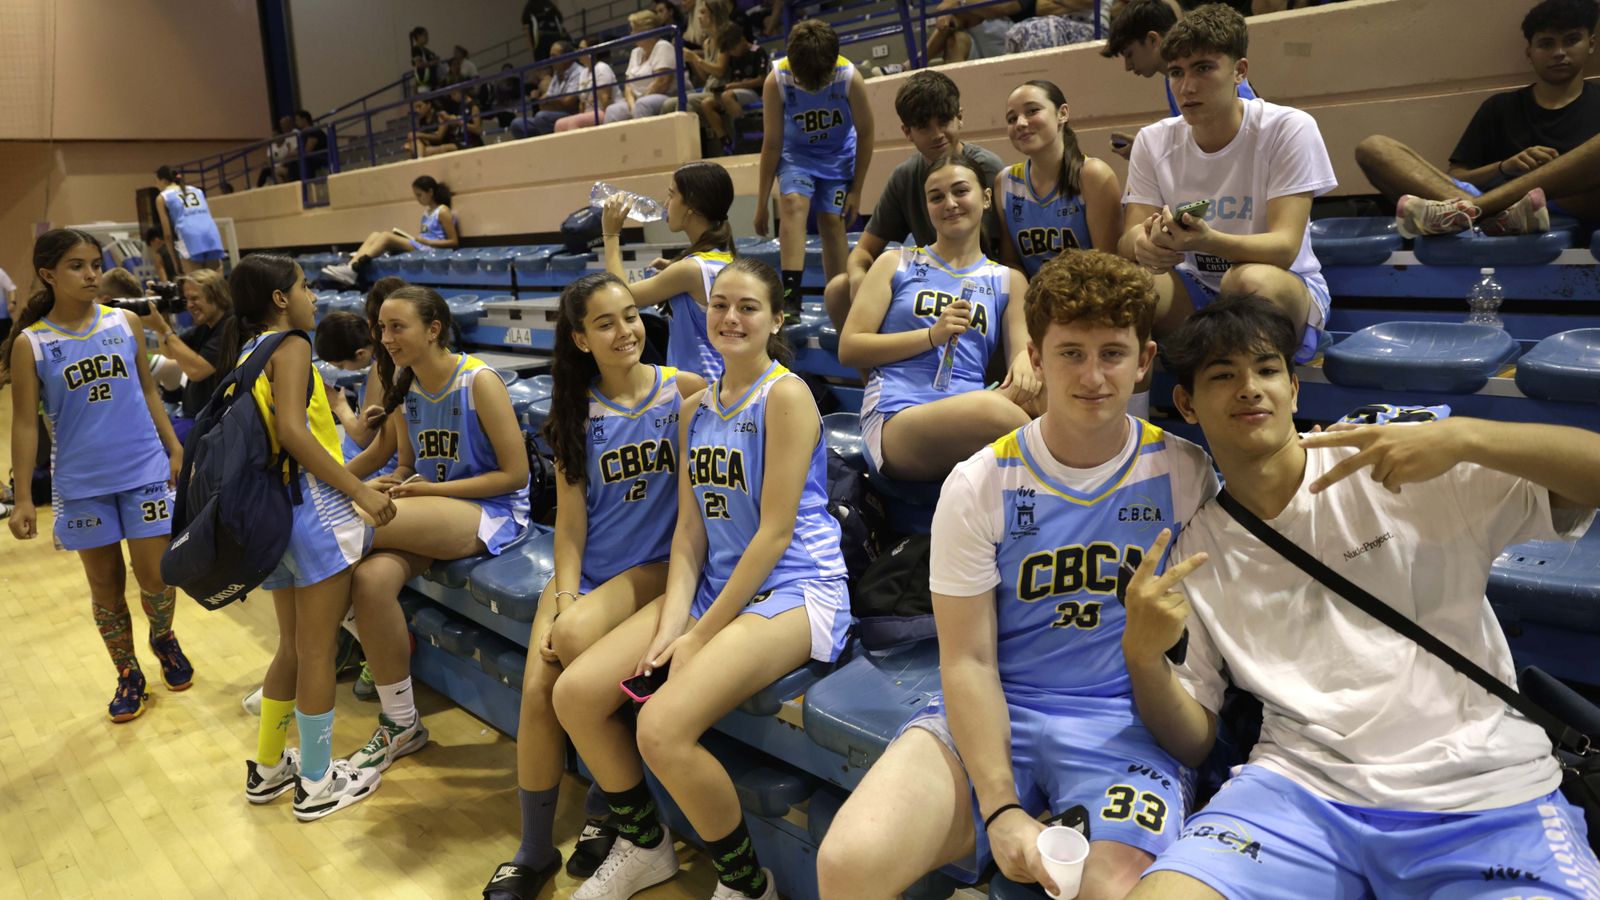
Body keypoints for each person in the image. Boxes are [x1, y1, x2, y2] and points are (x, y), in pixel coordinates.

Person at [1122, 294, 1600, 898]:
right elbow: (1192, 740)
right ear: (1186, 404)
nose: (1250, 388)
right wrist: (1142, 657)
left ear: (1295, 391)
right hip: (1297, 792)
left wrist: (1466, 437)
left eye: (1267, 370)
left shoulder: (1399, 465)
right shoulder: (1195, 549)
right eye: (1223, 375)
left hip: (1480, 791)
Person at [819, 250, 1218, 900]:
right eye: (1070, 353)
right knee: (847, 863)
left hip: (1123, 720)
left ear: (1145, 360)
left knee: (1114, 889)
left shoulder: (1184, 473)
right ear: (1034, 357)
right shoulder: (978, 482)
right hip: (999, 702)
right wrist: (1001, 808)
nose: (1092, 376)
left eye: (1112, 353)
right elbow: (969, 661)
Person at [553, 257, 851, 900]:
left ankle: (747, 885)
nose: (731, 317)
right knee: (574, 695)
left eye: (749, 307)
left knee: (661, 729)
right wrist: (669, 628)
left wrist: (697, 636)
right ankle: (646, 846)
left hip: (799, 586)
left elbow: (774, 535)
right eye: (720, 306)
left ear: (776, 319)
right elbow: (689, 535)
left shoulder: (787, 394)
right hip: (720, 586)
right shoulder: (695, 409)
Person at [483, 272, 707, 900]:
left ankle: (608, 811)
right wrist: (566, 594)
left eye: (631, 316)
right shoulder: (575, 413)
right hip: (592, 572)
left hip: (657, 570)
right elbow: (572, 524)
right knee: (538, 686)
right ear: (580, 339)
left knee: (575, 648)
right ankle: (533, 850)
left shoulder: (683, 391)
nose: (625, 331)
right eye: (605, 323)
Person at [341, 286, 530, 777]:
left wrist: (426, 493)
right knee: (368, 582)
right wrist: (394, 480)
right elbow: (408, 464)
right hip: (432, 507)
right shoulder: (404, 386)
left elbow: (515, 475)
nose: (386, 337)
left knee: (340, 532)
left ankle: (306, 664)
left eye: (397, 327)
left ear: (433, 329)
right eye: (382, 328)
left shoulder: (478, 381)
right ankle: (402, 722)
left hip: (490, 511)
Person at [233, 254, 396, 821]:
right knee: (319, 650)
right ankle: (318, 780)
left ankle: (268, 766)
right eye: (304, 287)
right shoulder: (293, 345)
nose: (312, 296)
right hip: (312, 510)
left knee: (292, 648)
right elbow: (294, 435)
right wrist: (361, 489)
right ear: (281, 299)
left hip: (272, 514)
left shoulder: (248, 349)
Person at [4, 228, 189, 723]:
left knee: (155, 575)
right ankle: (128, 673)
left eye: (94, 263)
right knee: (105, 587)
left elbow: (151, 392)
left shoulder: (125, 321)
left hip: (144, 468)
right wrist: (23, 497)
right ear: (48, 274)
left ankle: (164, 637)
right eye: (76, 265)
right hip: (81, 482)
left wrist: (175, 448)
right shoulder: (32, 344)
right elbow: (24, 423)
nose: (90, 274)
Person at [1120, 3, 1335, 377]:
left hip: (1280, 287)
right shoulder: (1152, 140)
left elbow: (1284, 249)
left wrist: (1205, 240)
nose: (1186, 87)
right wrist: (1146, 244)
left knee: (1245, 280)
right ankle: (1137, 423)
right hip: (1196, 288)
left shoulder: (1289, 128)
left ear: (1240, 71)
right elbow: (1127, 240)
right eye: (1176, 72)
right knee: (1131, 283)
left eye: (1203, 68)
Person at [840, 156, 1037, 483]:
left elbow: (1021, 354)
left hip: (973, 406)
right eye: (936, 197)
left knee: (1045, 393)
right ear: (927, 207)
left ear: (986, 198)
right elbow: (849, 348)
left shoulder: (1008, 280)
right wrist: (932, 335)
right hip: (898, 416)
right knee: (995, 412)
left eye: (960, 191)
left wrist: (1025, 363)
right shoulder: (895, 263)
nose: (950, 203)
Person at [1355, 0, 1598, 237]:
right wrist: (1504, 167)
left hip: (1572, 208)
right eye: (1546, 44)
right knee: (1373, 148)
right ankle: (1494, 215)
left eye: (1571, 40)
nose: (1559, 53)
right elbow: (1457, 177)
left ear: (1591, 44)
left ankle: (1479, 210)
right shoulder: (1500, 107)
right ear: (1530, 53)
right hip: (1489, 206)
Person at [824, 70, 1003, 331]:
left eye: (943, 121)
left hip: (980, 283)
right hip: (927, 283)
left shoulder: (988, 169)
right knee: (838, 290)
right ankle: (872, 373)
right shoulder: (906, 176)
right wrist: (859, 280)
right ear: (907, 132)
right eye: (924, 127)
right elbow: (862, 251)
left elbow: (1009, 255)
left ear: (960, 117)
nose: (937, 134)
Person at [755, 19, 875, 322]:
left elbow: (866, 132)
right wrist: (760, 205)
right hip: (797, 156)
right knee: (794, 204)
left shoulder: (849, 77)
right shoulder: (777, 80)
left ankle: (840, 298)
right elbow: (771, 144)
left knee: (831, 222)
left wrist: (857, 190)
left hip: (837, 159)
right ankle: (790, 299)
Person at [601, 161, 736, 381]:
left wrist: (611, 236)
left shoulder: (689, 271)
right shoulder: (722, 256)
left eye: (672, 195)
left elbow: (619, 300)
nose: (666, 203)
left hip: (700, 392)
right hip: (715, 386)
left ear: (691, 206)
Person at [997, 80, 1124, 279]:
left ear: (1062, 113)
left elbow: (1110, 266)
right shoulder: (1005, 182)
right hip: (1034, 303)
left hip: (1093, 299)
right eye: (1012, 119)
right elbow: (1011, 264)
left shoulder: (1092, 175)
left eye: (1032, 111)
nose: (1020, 123)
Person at [1101, 0, 1257, 161]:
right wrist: (1146, 150)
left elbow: (1245, 142)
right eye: (1177, 73)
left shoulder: (1239, 93)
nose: (1127, 66)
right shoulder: (1171, 84)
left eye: (1129, 54)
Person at [142, 269, 240, 443]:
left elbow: (197, 370)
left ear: (216, 295)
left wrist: (163, 329)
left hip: (215, 425)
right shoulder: (208, 325)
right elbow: (170, 352)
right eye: (187, 299)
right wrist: (160, 315)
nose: (189, 306)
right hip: (195, 417)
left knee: (156, 445)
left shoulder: (230, 326)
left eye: (195, 298)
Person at [323, 176, 459, 285]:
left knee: (387, 237)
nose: (418, 199)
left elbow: (454, 242)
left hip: (431, 249)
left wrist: (427, 241)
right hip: (422, 246)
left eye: (419, 195)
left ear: (430, 192)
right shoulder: (426, 213)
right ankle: (351, 267)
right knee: (375, 234)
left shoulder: (443, 211)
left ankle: (355, 268)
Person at [608, 10, 679, 123]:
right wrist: (632, 106)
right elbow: (628, 86)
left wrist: (640, 102)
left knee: (643, 105)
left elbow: (662, 83)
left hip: (666, 96)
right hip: (638, 100)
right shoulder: (636, 52)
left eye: (634, 30)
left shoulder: (663, 46)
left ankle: (642, 140)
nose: (631, 35)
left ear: (646, 31)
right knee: (613, 110)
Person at [154, 166, 225, 273]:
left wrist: (175, 263)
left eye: (156, 181)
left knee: (195, 283)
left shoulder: (163, 197)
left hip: (189, 236)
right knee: (215, 283)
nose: (156, 185)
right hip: (211, 233)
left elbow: (167, 235)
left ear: (163, 181)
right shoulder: (197, 191)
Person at [511, 41, 581, 138]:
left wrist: (551, 100)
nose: (550, 60)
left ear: (567, 57)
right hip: (552, 116)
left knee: (541, 117)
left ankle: (551, 150)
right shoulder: (557, 74)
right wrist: (555, 101)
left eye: (554, 56)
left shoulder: (578, 72)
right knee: (517, 124)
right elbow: (542, 104)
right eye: (550, 56)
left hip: (571, 115)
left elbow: (568, 102)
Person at [555, 44, 626, 132]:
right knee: (559, 124)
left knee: (573, 123)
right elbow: (582, 103)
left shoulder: (601, 68)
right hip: (589, 113)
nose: (578, 52)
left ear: (591, 51)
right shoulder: (583, 72)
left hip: (605, 111)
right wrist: (582, 116)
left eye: (581, 49)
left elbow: (606, 100)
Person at [925, 0, 1017, 64]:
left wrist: (960, 2)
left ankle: (917, 62)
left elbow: (1006, 7)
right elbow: (944, 7)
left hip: (1002, 32)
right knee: (956, 40)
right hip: (973, 38)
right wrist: (947, 13)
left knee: (960, 16)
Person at [294, 110, 329, 179]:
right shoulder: (303, 134)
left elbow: (308, 150)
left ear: (304, 120)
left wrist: (294, 153)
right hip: (313, 158)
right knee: (292, 162)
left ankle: (306, 184)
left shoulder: (314, 131)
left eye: (297, 120)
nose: (296, 122)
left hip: (321, 157)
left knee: (304, 160)